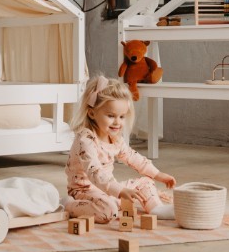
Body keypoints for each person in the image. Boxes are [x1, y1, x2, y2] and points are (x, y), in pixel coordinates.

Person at [65, 74, 176, 223]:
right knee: (108, 210)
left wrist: (158, 175)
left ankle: (157, 208)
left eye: (122, 117)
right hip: (84, 191)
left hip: (107, 188)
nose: (117, 122)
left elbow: (133, 157)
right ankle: (68, 205)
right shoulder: (85, 140)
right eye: (111, 116)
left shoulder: (115, 138)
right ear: (92, 113)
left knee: (145, 182)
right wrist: (120, 191)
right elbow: (95, 173)